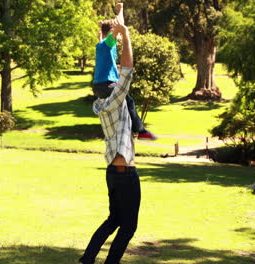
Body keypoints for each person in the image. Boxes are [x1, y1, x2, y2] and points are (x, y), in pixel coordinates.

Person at [79, 16, 141, 264]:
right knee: (128, 227)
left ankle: (87, 260)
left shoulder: (100, 104)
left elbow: (110, 59)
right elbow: (127, 69)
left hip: (112, 173)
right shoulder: (116, 99)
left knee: (114, 220)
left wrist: (120, 14)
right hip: (125, 173)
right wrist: (125, 35)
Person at [92, 3, 157, 141]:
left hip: (100, 87)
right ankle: (140, 131)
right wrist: (121, 10)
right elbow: (120, 26)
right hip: (107, 85)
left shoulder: (101, 44)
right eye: (116, 33)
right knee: (129, 101)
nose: (119, 36)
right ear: (111, 34)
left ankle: (117, 133)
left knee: (122, 105)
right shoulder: (108, 43)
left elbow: (107, 34)